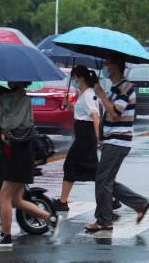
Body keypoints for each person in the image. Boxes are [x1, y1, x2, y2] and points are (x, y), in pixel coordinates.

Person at [0, 81, 59, 248]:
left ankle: (5, 236)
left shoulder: (22, 99)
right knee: (16, 200)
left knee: (4, 196)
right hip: (18, 153)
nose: (9, 80)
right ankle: (50, 218)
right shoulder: (11, 97)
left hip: (20, 154)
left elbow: (10, 124)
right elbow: (4, 122)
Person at [86, 57, 149, 233]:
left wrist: (100, 93)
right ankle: (140, 204)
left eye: (108, 64)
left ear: (116, 66)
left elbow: (115, 114)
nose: (106, 67)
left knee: (102, 181)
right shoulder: (115, 89)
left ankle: (104, 220)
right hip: (112, 140)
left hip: (118, 141)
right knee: (107, 181)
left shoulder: (126, 87)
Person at [53, 66, 101, 211]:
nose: (72, 81)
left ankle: (62, 202)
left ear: (80, 78)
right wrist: (69, 106)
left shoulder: (88, 94)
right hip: (83, 134)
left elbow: (95, 116)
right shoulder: (84, 93)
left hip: (86, 136)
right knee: (95, 170)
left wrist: (98, 138)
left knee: (70, 165)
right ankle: (112, 199)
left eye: (74, 78)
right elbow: (82, 113)